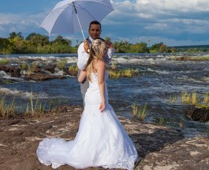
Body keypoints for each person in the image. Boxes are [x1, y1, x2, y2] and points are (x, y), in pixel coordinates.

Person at [37, 39, 138, 170]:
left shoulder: (88, 63)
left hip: (90, 95)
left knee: (92, 121)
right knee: (104, 119)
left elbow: (80, 79)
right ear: (100, 50)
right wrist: (103, 100)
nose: (105, 51)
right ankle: (102, 151)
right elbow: (101, 82)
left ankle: (91, 147)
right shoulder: (100, 63)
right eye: (104, 49)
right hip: (97, 95)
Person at [78, 20, 114, 98]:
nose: (95, 32)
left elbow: (106, 60)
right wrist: (88, 53)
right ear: (88, 31)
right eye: (93, 30)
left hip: (100, 75)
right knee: (88, 101)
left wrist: (110, 49)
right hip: (87, 77)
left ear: (100, 31)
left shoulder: (103, 43)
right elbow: (81, 66)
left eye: (97, 30)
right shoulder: (83, 45)